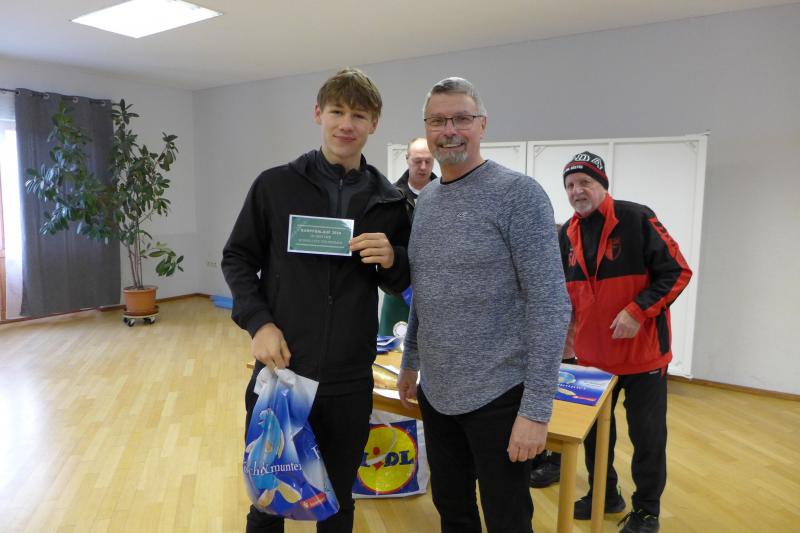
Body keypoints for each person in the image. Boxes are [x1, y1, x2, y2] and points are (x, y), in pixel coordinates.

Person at [221, 67, 411, 533]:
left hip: (349, 380)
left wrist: (393, 258)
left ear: (374, 124)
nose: (346, 124)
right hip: (282, 371)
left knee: (338, 503)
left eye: (359, 115)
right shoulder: (274, 186)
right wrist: (259, 322)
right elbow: (237, 258)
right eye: (337, 112)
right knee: (268, 500)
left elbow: (402, 282)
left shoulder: (390, 201)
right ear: (318, 114)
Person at [397, 77, 571, 533]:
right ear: (427, 129)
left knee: (506, 518)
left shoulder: (519, 195)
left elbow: (551, 304)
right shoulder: (427, 201)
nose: (449, 130)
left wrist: (536, 410)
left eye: (461, 118)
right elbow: (425, 289)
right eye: (438, 120)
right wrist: (411, 361)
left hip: (500, 395)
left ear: (482, 125)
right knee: (452, 509)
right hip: (438, 393)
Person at [559, 151, 692, 533]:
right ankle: (605, 494)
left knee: (647, 437)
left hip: (642, 356)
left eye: (585, 182)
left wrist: (637, 311)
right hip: (591, 358)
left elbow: (677, 271)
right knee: (594, 434)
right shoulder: (565, 233)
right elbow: (567, 293)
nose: (577, 191)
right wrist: (565, 335)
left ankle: (647, 511)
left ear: (602, 184)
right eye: (570, 185)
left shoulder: (636, 218)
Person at [377, 137, 436, 336]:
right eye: (417, 161)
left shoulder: (449, 194)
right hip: (399, 288)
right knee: (393, 347)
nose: (423, 167)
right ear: (407, 158)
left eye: (428, 161)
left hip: (438, 289)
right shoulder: (390, 196)